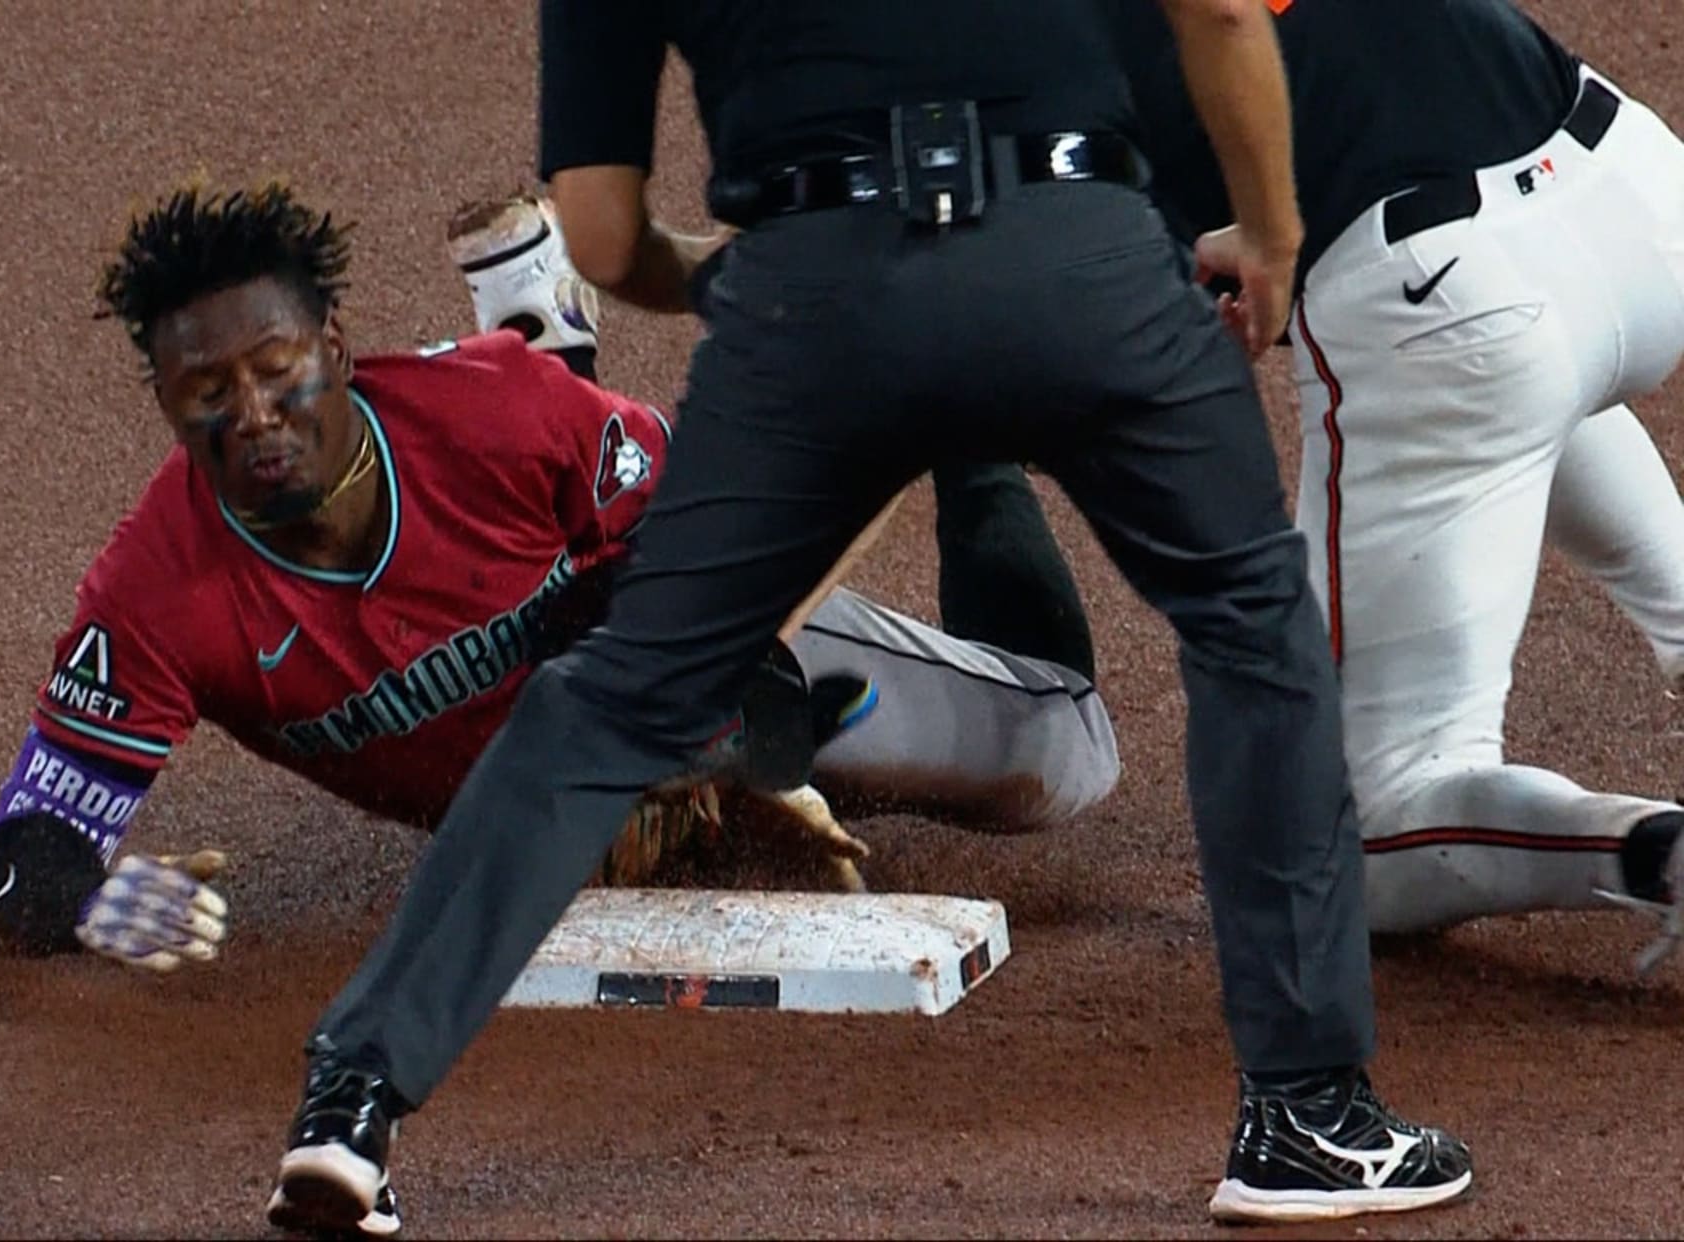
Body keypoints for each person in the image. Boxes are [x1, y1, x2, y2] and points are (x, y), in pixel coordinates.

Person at [266, 1, 1474, 1234]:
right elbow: (1219, 13)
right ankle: (1307, 1114)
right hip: (1080, 261)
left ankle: (352, 1099)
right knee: (1251, 623)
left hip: (813, 297)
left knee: (622, 694)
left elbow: (605, 234)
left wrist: (757, 274)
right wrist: (1269, 235)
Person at [0, 186, 1122, 993]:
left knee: (1063, 758)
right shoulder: (155, 594)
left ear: (337, 349)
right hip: (552, 774)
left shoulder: (485, 423)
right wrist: (82, 899)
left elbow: (729, 535)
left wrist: (736, 731)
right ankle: (539, 327)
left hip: (689, 638)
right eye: (209, 392)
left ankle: (972, 446)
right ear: (166, 404)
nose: (255, 416)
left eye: (278, 369)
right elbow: (17, 866)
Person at [1108, 0, 1684, 972]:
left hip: (1455, 300)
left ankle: (1658, 855)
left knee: (1343, 840)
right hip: (1638, 195)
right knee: (1513, 374)